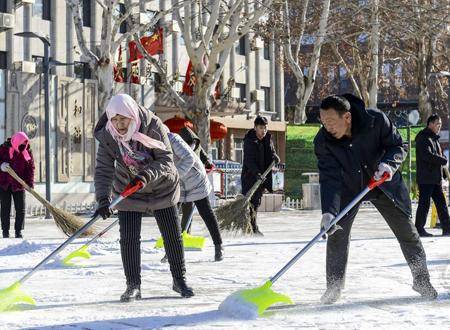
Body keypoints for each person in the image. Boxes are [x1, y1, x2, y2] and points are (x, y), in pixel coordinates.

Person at [314, 94, 437, 304]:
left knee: (407, 232)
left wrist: (389, 164)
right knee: (336, 233)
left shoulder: (376, 121)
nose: (328, 128)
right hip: (349, 188)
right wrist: (329, 212)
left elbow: (399, 146)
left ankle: (422, 279)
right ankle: (334, 286)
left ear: (348, 118)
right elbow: (329, 177)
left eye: (332, 122)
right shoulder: (323, 141)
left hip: (383, 183)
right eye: (324, 123)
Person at [94, 94, 194, 302]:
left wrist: (145, 175)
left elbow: (166, 160)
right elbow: (103, 169)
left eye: (124, 120)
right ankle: (133, 285)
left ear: (132, 115)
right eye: (115, 120)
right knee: (129, 239)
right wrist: (103, 199)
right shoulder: (108, 135)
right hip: (129, 189)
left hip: (161, 186)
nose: (120, 125)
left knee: (172, 235)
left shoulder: (152, 125)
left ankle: (179, 279)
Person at [164, 126, 223, 261]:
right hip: (179, 183)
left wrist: (175, 176)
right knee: (171, 217)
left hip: (196, 181)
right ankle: (171, 251)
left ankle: (219, 246)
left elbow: (189, 159)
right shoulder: (155, 145)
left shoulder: (173, 140)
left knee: (206, 213)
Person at [241, 115, 280, 236]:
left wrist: (275, 156)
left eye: (265, 127)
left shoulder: (268, 138)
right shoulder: (249, 140)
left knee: (256, 202)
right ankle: (252, 227)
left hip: (262, 176)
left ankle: (252, 226)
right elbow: (249, 160)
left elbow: (271, 152)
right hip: (250, 177)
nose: (264, 130)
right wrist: (257, 173)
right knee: (251, 203)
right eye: (261, 127)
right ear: (255, 127)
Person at [415, 114, 450, 237]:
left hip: (435, 179)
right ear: (430, 124)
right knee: (424, 204)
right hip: (426, 178)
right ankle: (419, 229)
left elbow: (438, 158)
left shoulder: (434, 138)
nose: (439, 126)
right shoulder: (423, 138)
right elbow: (427, 156)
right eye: (437, 124)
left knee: (441, 204)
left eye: (440, 124)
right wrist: (442, 160)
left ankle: (447, 228)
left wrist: (443, 173)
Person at [178, 126, 215, 232]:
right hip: (181, 182)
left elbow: (204, 156)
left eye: (193, 143)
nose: (191, 146)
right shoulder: (179, 148)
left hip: (193, 183)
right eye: (189, 144)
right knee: (175, 208)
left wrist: (208, 163)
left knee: (188, 209)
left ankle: (185, 231)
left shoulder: (197, 146)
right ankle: (172, 232)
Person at [0, 132, 35, 238]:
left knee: (20, 208)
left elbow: (30, 168)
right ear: (16, 141)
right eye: (21, 144)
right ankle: (5, 231)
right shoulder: (3, 148)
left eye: (24, 144)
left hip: (19, 183)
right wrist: (1, 165)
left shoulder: (27, 150)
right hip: (4, 183)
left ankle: (18, 231)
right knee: (5, 208)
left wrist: (29, 183)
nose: (22, 147)